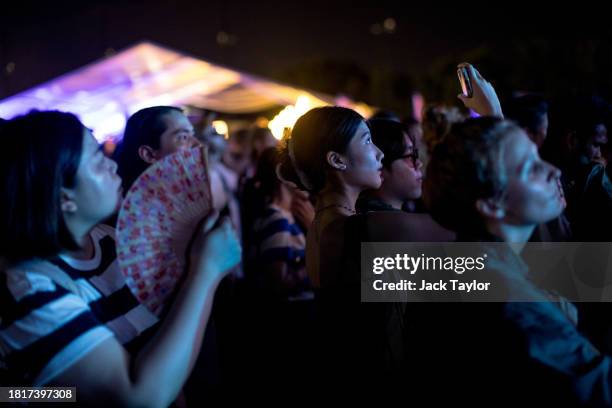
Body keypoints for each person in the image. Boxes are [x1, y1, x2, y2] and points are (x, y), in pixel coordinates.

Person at [0, 110, 240, 407]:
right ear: (64, 197)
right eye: (98, 159)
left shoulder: (113, 241)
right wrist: (206, 271)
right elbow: (139, 399)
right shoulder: (29, 291)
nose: (113, 164)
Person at [409, 63, 612, 406]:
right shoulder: (507, 298)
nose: (553, 170)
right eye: (531, 167)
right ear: (491, 203)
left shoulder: (467, 265)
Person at [356, 119, 423, 213]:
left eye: (415, 154)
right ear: (379, 166)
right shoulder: (380, 224)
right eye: (410, 156)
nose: (419, 163)